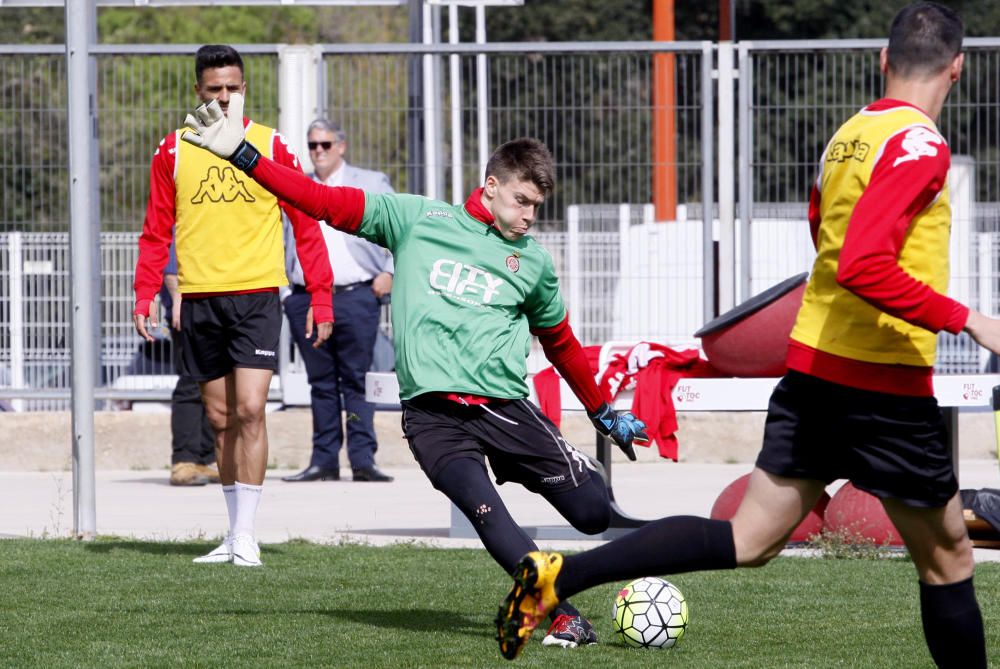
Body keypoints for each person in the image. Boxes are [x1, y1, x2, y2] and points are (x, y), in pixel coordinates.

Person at [489, 3, 1000, 666]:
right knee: (948, 557)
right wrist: (975, 320)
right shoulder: (922, 144)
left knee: (749, 538)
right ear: (957, 67)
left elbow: (825, 238)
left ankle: (560, 575)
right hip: (883, 384)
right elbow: (861, 263)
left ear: (883, 61)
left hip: (816, 371)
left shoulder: (849, 136)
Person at [180, 100, 650, 648]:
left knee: (593, 515)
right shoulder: (418, 220)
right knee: (488, 516)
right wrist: (242, 154)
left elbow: (562, 344)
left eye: (537, 207)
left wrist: (602, 410)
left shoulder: (534, 263)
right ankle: (559, 613)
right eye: (522, 201)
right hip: (433, 419)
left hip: (505, 409)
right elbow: (323, 201)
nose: (528, 216)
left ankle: (528, 466)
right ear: (491, 185)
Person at [133, 45, 334, 567]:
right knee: (220, 419)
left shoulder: (270, 144)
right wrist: (144, 292)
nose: (224, 97)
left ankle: (247, 535)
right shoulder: (173, 149)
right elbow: (156, 230)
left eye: (233, 87)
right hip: (198, 297)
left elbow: (307, 223)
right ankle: (233, 531)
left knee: (250, 410)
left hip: (257, 294)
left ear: (244, 88)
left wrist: (321, 295)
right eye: (214, 89)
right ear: (198, 91)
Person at [281, 119, 395, 484]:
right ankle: (324, 460)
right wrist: (286, 292)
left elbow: (399, 227)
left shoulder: (371, 183)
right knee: (321, 383)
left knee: (357, 381)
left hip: (356, 296)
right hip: (306, 300)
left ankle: (363, 460)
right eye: (313, 145)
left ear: (341, 147)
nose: (319, 151)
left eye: (326, 144)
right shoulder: (298, 186)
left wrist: (390, 271)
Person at [162, 240, 220, 487]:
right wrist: (178, 299)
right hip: (189, 308)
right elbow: (173, 266)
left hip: (218, 308)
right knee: (190, 381)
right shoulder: (188, 208)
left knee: (215, 384)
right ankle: (184, 461)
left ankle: (204, 460)